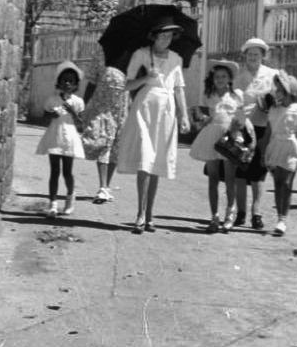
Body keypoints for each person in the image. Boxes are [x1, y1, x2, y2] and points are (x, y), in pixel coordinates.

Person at [117, 21, 191, 233]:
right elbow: (126, 85)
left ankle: (149, 215)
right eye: (162, 35)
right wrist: (146, 78)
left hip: (165, 111)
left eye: (170, 36)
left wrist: (184, 115)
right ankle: (140, 214)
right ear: (154, 36)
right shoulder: (141, 54)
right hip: (144, 109)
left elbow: (179, 89)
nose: (166, 40)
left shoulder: (176, 59)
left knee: (157, 161)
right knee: (145, 158)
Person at [188, 59, 247, 232]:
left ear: (229, 78)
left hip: (230, 137)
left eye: (223, 76)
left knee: (230, 178)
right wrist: (202, 120)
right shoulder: (208, 95)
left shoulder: (237, 95)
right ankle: (214, 216)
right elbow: (203, 118)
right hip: (212, 136)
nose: (220, 79)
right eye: (217, 77)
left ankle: (230, 215)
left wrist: (237, 130)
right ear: (212, 79)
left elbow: (242, 117)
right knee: (213, 178)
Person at [233, 37, 277, 230]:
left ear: (263, 56)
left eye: (256, 54)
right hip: (242, 127)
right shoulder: (239, 76)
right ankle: (241, 213)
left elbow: (279, 98)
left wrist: (269, 103)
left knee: (259, 172)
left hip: (262, 127)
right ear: (245, 56)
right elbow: (233, 101)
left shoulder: (272, 75)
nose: (253, 57)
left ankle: (256, 213)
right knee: (240, 171)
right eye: (250, 54)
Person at [261, 70, 297, 237]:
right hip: (275, 147)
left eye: (281, 90)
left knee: (287, 183)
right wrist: (263, 153)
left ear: (289, 92)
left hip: (291, 148)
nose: (277, 93)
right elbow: (268, 132)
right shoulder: (273, 110)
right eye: (277, 90)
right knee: (278, 183)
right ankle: (279, 216)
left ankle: (283, 219)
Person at [36, 61, 86, 216]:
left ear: (76, 84)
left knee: (67, 172)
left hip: (69, 139)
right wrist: (52, 114)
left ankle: (70, 199)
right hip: (55, 137)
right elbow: (44, 118)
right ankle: (53, 204)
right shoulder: (52, 100)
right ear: (59, 82)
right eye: (64, 80)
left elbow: (81, 124)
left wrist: (73, 112)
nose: (67, 84)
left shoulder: (78, 102)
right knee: (54, 171)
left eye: (71, 81)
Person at [81, 66, 127, 204]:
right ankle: (102, 187)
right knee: (104, 143)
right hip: (102, 108)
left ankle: (106, 187)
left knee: (116, 148)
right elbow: (91, 83)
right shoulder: (101, 58)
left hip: (123, 108)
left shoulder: (133, 58)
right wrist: (84, 105)